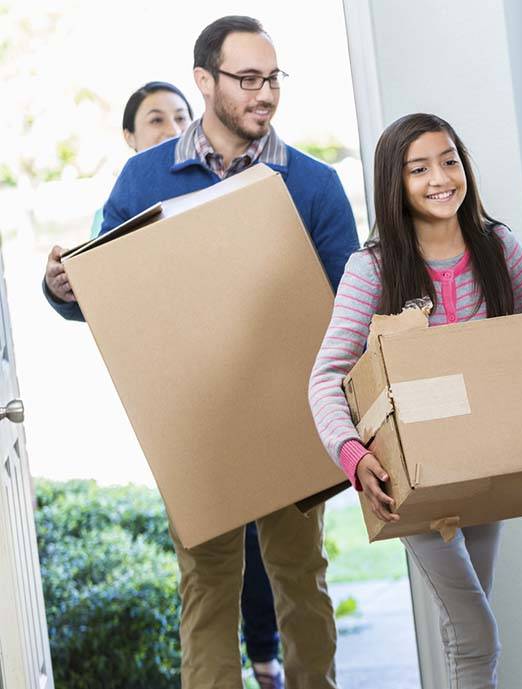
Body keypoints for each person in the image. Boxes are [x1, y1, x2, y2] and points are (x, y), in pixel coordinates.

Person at [42, 16, 357, 689]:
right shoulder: (143, 179)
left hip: (290, 416)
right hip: (195, 429)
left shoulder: (313, 185)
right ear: (204, 81)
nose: (264, 93)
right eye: (247, 79)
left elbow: (348, 313)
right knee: (207, 586)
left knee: (301, 579)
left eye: (273, 78)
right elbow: (102, 292)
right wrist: (62, 286)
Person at [307, 113, 522, 689]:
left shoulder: (496, 247)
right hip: (410, 477)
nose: (440, 178)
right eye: (419, 169)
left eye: (450, 161)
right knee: (477, 633)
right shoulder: (374, 268)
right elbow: (326, 376)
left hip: (487, 468)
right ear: (395, 183)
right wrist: (355, 459)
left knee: (466, 630)